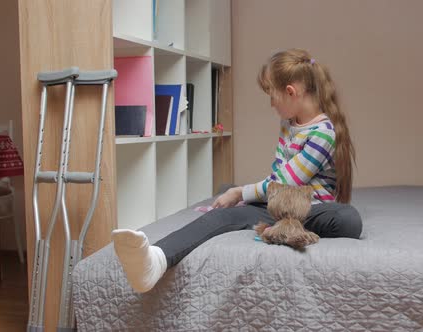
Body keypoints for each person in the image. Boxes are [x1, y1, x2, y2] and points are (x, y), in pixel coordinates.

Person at [112, 48, 363, 293]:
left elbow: (286, 181)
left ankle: (274, 219)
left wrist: (241, 193)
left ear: (290, 92)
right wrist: (243, 195)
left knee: (347, 218)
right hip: (279, 205)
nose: (271, 104)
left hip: (311, 209)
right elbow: (277, 174)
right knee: (222, 215)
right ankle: (155, 259)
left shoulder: (323, 133)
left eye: (271, 95)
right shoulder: (288, 124)